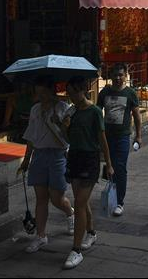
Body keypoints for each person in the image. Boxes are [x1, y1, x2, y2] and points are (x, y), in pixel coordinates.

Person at [16, 76, 74, 254]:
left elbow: (68, 138)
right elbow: (31, 137)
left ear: (51, 91)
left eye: (43, 93)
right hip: (39, 156)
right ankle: (41, 236)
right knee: (41, 198)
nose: (40, 97)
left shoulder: (63, 108)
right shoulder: (35, 110)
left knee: (56, 198)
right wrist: (26, 160)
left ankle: (70, 213)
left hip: (57, 155)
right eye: (37, 93)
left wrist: (58, 122)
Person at [62, 76, 113, 270]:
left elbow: (102, 138)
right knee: (80, 201)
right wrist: (63, 126)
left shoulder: (94, 112)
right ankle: (90, 232)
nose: (70, 96)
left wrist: (108, 163)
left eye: (73, 92)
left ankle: (76, 250)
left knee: (80, 203)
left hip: (90, 159)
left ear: (82, 90)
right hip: (73, 157)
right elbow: (67, 137)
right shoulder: (71, 111)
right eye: (68, 92)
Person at [97, 64, 142, 217]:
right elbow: (97, 113)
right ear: (110, 76)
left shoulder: (130, 93)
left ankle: (119, 202)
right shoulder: (104, 93)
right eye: (115, 75)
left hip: (123, 136)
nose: (118, 78)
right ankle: (112, 192)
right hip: (107, 136)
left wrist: (138, 135)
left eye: (121, 75)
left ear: (126, 76)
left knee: (120, 167)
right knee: (109, 165)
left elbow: (136, 115)